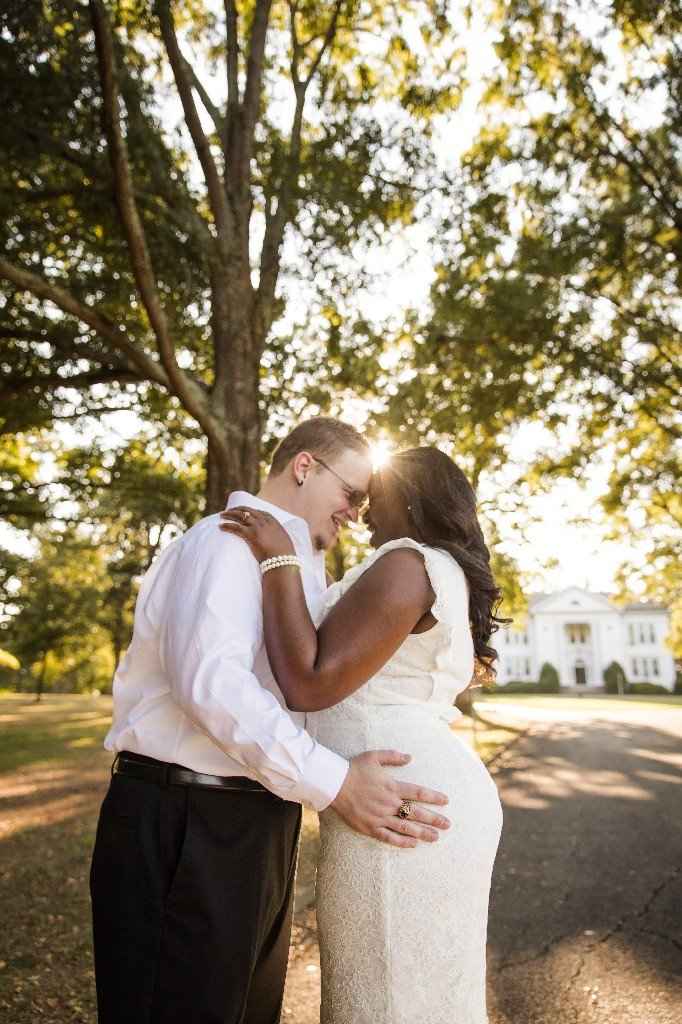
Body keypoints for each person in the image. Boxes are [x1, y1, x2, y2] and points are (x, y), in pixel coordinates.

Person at [89, 418, 451, 1024]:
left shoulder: (299, 566)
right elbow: (213, 687)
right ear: (305, 466)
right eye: (352, 495)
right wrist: (336, 784)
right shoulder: (225, 541)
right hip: (185, 822)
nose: (357, 515)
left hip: (258, 824)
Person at [221, 446, 505, 1024]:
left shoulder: (407, 561)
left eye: (373, 495)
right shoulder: (438, 569)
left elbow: (309, 681)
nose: (363, 510)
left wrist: (279, 561)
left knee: (384, 998)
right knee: (421, 997)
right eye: (354, 496)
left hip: (396, 807)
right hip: (408, 797)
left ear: (414, 496)